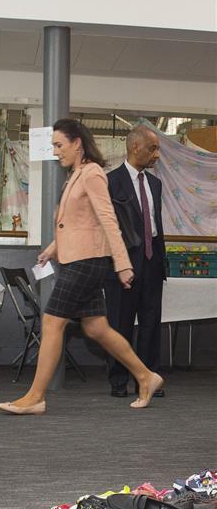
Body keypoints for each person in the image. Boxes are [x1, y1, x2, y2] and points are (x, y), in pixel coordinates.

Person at [0, 118, 163, 416]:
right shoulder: (74, 176)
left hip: (87, 262)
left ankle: (35, 396)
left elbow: (108, 220)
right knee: (97, 328)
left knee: (52, 322)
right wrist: (51, 249)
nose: (56, 151)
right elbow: (73, 224)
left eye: (59, 145)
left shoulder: (92, 174)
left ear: (77, 143)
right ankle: (145, 376)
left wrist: (123, 265)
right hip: (77, 258)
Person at [105, 125, 166, 397]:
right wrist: (118, 264)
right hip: (123, 265)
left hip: (153, 263)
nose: (157, 155)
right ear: (134, 148)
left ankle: (149, 378)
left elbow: (155, 225)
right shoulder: (110, 181)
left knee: (152, 323)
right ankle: (119, 381)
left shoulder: (156, 183)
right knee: (121, 323)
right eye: (152, 149)